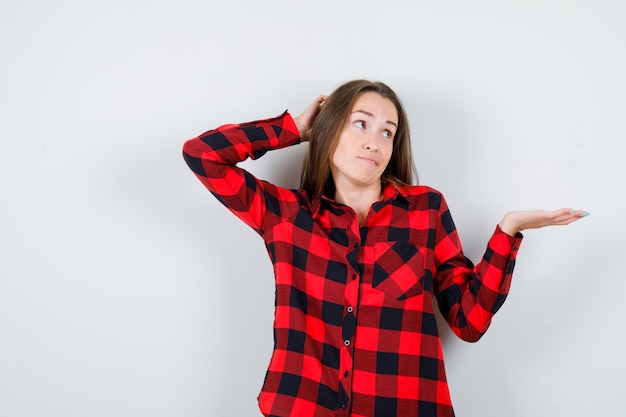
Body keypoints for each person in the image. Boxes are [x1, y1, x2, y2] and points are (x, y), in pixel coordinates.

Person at [182, 80, 588, 417]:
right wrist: (296, 128)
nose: (374, 141)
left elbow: (469, 321)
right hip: (301, 405)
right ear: (331, 129)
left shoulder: (426, 211)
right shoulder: (287, 216)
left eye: (387, 132)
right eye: (360, 124)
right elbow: (202, 155)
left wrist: (508, 231)